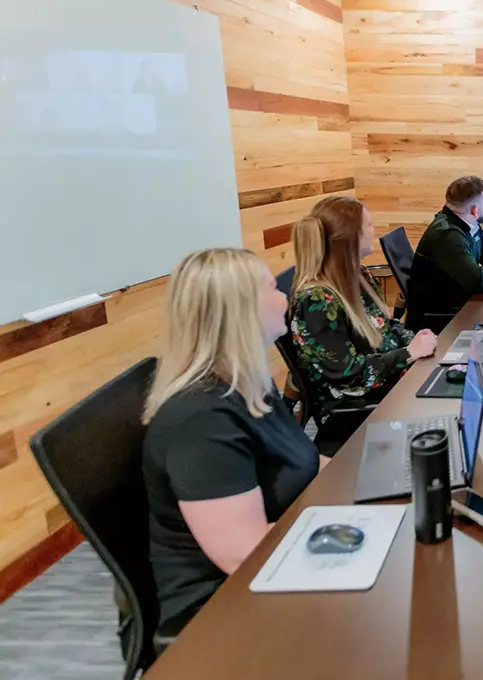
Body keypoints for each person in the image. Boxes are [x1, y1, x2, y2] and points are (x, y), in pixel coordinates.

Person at [142, 248, 324, 642]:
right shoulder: (200, 419)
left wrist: (382, 465)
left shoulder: (250, 384)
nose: (284, 297)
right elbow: (243, 555)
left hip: (277, 569)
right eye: (272, 288)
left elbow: (305, 460)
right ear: (238, 312)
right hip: (223, 613)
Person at [289, 196, 437, 453]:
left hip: (392, 385)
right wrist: (409, 353)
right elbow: (350, 378)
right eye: (368, 225)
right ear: (350, 237)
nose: (374, 230)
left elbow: (388, 324)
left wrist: (416, 339)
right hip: (360, 411)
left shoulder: (360, 275)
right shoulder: (316, 302)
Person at [407, 176, 483, 332]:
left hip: (461, 303)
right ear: (475, 210)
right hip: (442, 318)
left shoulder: (469, 224)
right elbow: (477, 281)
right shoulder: (448, 236)